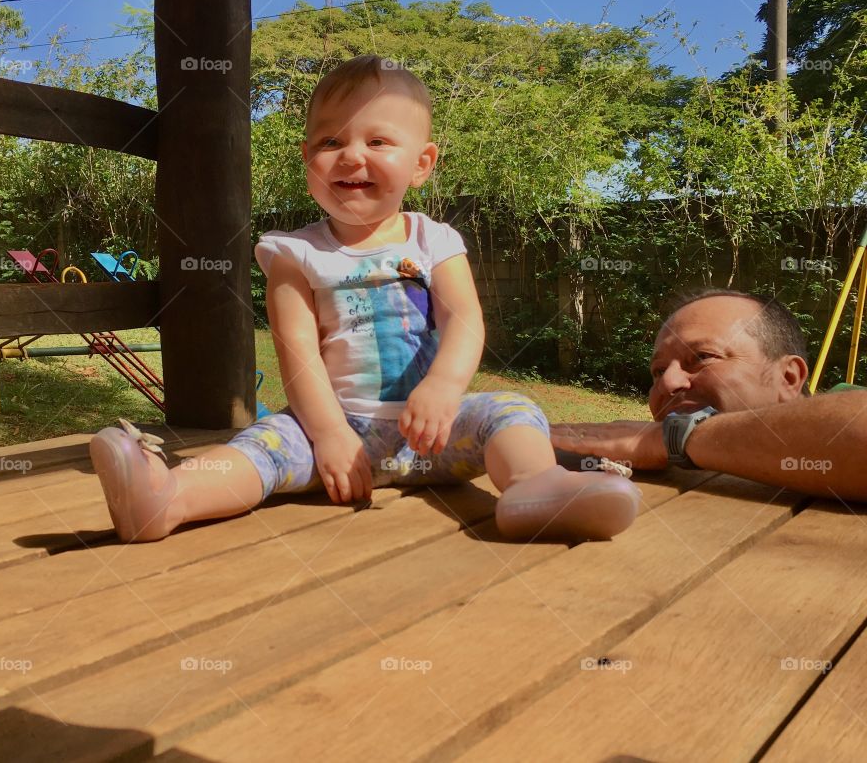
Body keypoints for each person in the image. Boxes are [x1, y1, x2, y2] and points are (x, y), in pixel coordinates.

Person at [89, 55, 640, 543]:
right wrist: (327, 434)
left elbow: (465, 320)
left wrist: (446, 388)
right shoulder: (294, 254)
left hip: (438, 431)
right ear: (309, 160)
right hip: (336, 433)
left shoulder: (434, 241)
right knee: (263, 442)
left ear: (421, 163)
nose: (351, 156)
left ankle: (537, 489)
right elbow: (296, 352)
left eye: (377, 141)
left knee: (513, 409)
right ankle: (167, 499)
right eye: (331, 142)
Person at [551, 289, 867, 502]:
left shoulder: (848, 403)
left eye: (702, 357)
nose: (668, 384)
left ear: (788, 378)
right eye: (659, 371)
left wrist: (674, 437)